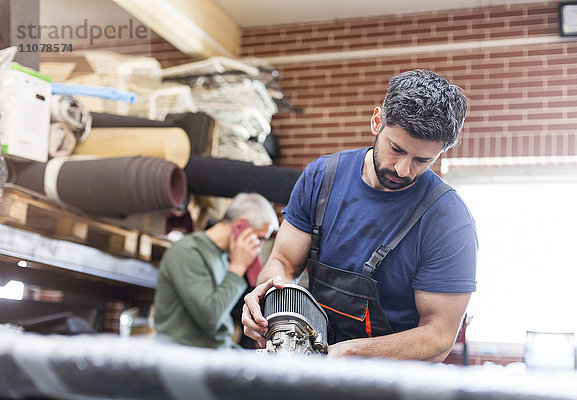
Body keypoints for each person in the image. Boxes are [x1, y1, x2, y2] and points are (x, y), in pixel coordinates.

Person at [242, 69, 477, 361]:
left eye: (422, 160)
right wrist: (268, 300)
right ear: (377, 121)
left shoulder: (449, 220)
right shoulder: (321, 178)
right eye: (396, 149)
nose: (403, 170)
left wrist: (351, 352)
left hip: (392, 380)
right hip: (314, 362)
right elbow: (283, 261)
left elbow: (438, 337)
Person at [154, 193, 279, 348]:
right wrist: (238, 267)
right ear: (241, 226)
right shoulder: (188, 252)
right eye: (259, 238)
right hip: (188, 355)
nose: (258, 248)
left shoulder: (223, 257)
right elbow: (210, 318)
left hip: (218, 350)